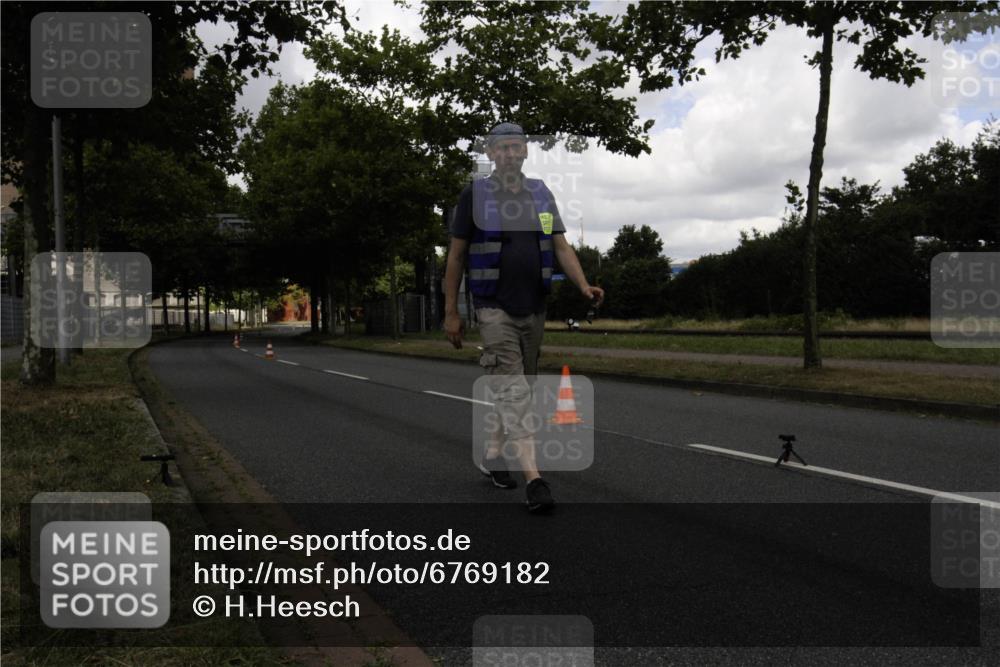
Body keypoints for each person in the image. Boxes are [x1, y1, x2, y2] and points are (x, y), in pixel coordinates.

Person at [443, 122, 604, 513]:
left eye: (517, 146)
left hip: (534, 306)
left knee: (518, 389)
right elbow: (456, 256)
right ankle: (535, 481)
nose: (511, 153)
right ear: (492, 154)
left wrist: (582, 284)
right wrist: (451, 311)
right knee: (515, 394)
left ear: (526, 152)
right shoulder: (474, 195)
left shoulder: (539, 195)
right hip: (492, 306)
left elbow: (558, 243)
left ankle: (493, 458)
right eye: (503, 148)